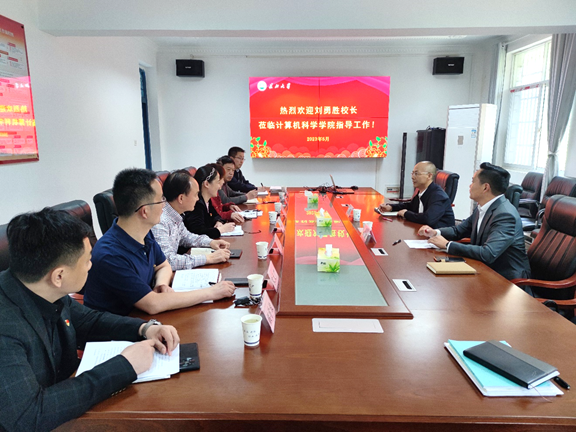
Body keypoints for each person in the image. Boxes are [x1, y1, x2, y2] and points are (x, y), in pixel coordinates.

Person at [0, 208, 180, 432]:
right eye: (87, 260)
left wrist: (144, 328)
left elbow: (88, 321)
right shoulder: (6, 328)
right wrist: (124, 366)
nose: (91, 265)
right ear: (59, 276)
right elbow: (29, 416)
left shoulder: (44, 288)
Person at [83, 168, 235, 316]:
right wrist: (211, 292)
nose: (164, 205)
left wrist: (161, 284)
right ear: (145, 211)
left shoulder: (144, 233)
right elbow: (153, 304)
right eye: (161, 200)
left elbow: (164, 264)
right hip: (120, 327)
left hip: (141, 317)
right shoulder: (110, 255)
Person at [418, 162, 531, 280]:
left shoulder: (505, 215)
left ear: (485, 187)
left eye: (473, 181)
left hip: (506, 279)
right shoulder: (482, 207)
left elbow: (488, 253)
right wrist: (435, 232)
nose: (470, 186)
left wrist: (447, 245)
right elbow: (458, 231)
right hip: (484, 268)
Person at [151, 169, 232, 271]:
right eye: (195, 195)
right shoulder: (160, 221)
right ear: (181, 198)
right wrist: (208, 258)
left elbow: (187, 237)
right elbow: (168, 261)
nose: (197, 199)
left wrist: (210, 242)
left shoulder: (175, 215)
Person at [378, 161, 455, 228]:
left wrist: (406, 214)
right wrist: (391, 207)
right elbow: (411, 206)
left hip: (441, 236)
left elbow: (428, 219)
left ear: (429, 176)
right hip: (424, 231)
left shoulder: (438, 196)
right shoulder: (424, 191)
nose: (412, 177)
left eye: (416, 173)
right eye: (412, 173)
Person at [183, 164, 236, 239]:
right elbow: (198, 232)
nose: (219, 187)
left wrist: (218, 222)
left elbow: (216, 216)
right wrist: (221, 230)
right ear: (206, 184)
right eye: (217, 182)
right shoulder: (196, 204)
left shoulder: (208, 200)